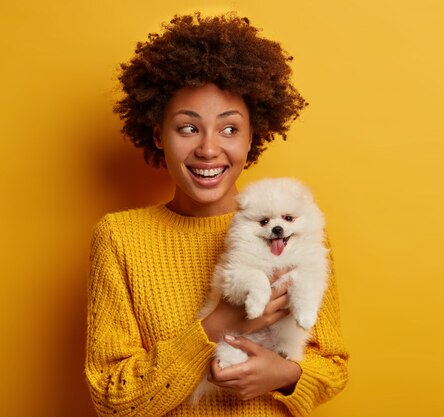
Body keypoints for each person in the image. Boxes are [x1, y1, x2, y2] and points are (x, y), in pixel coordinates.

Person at [85, 13, 349, 417]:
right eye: (188, 128)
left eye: (229, 129)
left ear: (252, 136)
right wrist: (216, 326)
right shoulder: (120, 237)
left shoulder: (296, 230)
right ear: (158, 134)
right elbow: (111, 398)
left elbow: (333, 366)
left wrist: (285, 375)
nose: (209, 149)